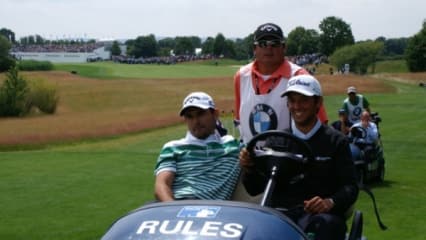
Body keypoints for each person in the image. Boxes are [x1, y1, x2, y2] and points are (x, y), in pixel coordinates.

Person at [239, 75, 359, 240]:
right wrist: (249, 167)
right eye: (292, 100)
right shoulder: (276, 141)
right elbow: (255, 188)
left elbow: (350, 187)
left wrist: (329, 202)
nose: (297, 106)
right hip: (280, 216)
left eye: (303, 100)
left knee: (324, 228)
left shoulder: (336, 141)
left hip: (320, 218)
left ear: (318, 103)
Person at [233, 22, 328, 144]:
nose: (269, 48)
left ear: (284, 47)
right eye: (263, 44)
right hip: (250, 158)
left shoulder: (300, 77)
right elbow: (240, 120)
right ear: (254, 49)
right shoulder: (241, 76)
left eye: (275, 43)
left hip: (289, 158)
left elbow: (319, 126)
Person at [154, 91, 241, 201]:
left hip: (216, 213)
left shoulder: (232, 145)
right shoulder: (172, 148)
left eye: (200, 114)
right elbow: (161, 186)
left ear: (215, 114)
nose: (196, 121)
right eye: (190, 116)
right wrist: (175, 211)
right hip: (179, 207)